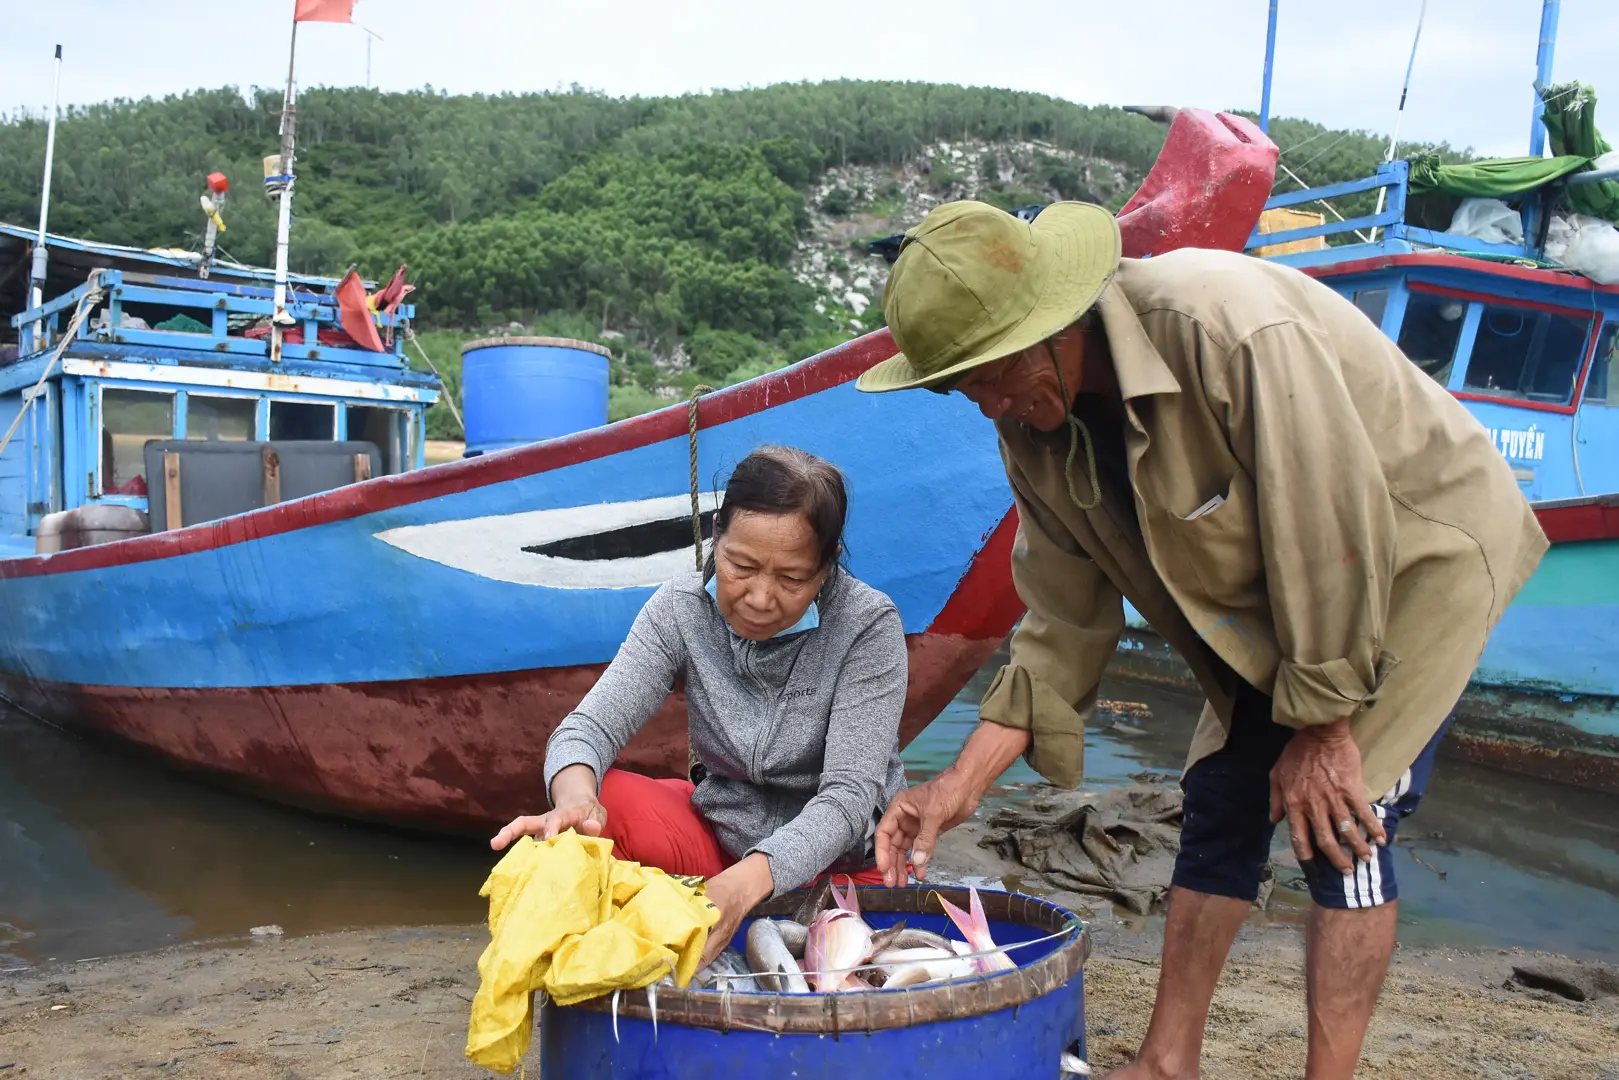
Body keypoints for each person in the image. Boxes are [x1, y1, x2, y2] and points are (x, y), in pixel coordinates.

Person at [853, 200, 1547, 1079]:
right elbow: (1062, 618)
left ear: (1057, 320)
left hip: (1403, 563)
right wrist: (954, 785)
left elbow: (1329, 527)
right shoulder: (1028, 424)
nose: (986, 403)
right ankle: (1165, 1061)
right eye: (961, 386)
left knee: (1344, 824)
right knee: (1221, 797)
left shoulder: (1226, 329)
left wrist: (1324, 729)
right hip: (1274, 599)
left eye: (993, 370)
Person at [490, 444, 909, 968]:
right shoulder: (680, 609)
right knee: (603, 804)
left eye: (791, 579)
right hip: (720, 844)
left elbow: (848, 800)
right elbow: (587, 730)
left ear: (826, 567)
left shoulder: (868, 627)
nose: (759, 597)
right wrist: (575, 797)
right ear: (717, 535)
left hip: (841, 869)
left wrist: (743, 885)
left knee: (856, 971)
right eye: (741, 566)